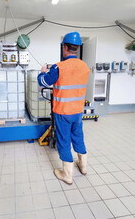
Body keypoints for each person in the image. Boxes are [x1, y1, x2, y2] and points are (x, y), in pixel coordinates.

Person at [37, 31, 90, 185]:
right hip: (78, 111)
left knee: (64, 141)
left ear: (64, 48)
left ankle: (67, 175)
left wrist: (42, 73)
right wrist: (54, 68)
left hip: (63, 112)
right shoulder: (84, 66)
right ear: (77, 48)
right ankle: (83, 166)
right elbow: (71, 74)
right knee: (78, 137)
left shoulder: (59, 68)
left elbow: (44, 82)